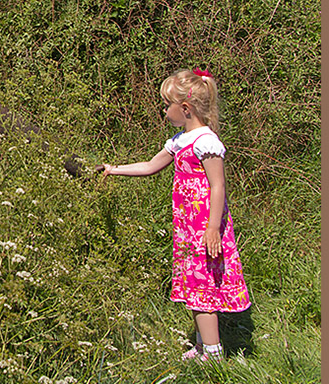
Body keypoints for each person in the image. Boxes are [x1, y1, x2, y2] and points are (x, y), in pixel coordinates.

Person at [96, 69, 250, 361]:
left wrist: (213, 227)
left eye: (167, 106)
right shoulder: (180, 140)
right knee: (195, 283)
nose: (165, 112)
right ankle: (204, 346)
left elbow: (218, 186)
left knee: (204, 286)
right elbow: (150, 166)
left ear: (186, 108)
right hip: (188, 226)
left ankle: (214, 355)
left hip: (205, 225)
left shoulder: (205, 141)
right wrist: (113, 170)